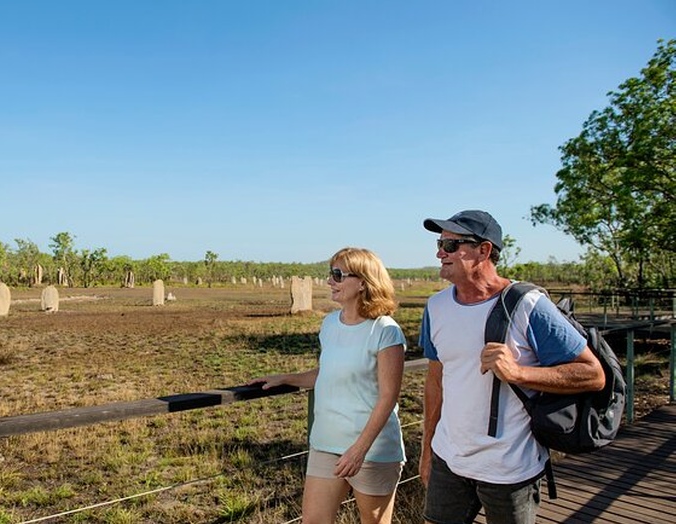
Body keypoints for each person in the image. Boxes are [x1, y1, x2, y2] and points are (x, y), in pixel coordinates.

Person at [417, 210, 606, 524]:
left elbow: (593, 374)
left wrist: (519, 374)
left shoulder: (527, 304)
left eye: (451, 245)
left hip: (510, 467)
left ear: (484, 250)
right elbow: (436, 381)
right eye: (440, 243)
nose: (440, 252)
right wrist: (428, 448)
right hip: (448, 460)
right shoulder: (436, 307)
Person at [249, 247, 407, 524]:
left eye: (337, 275)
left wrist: (359, 450)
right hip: (325, 443)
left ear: (362, 282)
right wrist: (286, 378)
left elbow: (388, 396)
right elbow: (328, 373)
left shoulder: (385, 331)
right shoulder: (330, 323)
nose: (329, 282)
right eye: (330, 274)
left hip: (371, 450)